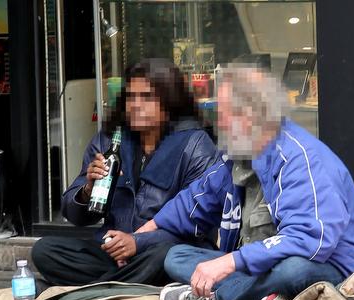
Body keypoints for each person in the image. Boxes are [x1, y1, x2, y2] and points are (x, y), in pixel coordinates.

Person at [136, 64, 354, 300]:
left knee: (292, 272)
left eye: (225, 113)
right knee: (175, 256)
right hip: (258, 265)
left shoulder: (302, 159)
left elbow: (310, 241)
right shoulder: (238, 155)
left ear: (251, 115)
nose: (219, 122)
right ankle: (259, 296)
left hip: (329, 264)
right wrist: (143, 232)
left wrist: (230, 263)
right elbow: (196, 200)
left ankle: (217, 296)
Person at [31, 58, 219, 286]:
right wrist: (87, 190)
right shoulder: (109, 140)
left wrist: (137, 242)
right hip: (112, 252)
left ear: (169, 102)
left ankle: (104, 286)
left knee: (167, 257)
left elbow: (198, 223)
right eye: (131, 97)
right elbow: (75, 216)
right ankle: (122, 285)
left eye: (147, 97)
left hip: (163, 250)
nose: (136, 105)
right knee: (45, 250)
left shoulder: (195, 145)